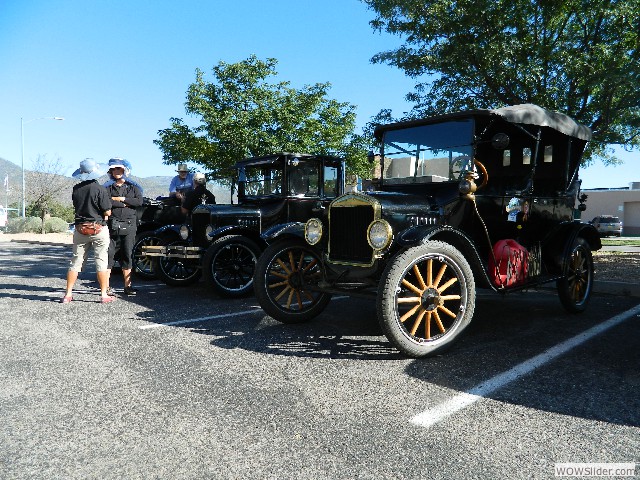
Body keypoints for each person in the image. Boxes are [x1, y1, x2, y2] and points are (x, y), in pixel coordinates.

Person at [62, 158, 113, 303]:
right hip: (98, 229)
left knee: (75, 262)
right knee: (101, 261)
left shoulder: (76, 189)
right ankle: (103, 295)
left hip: (80, 229)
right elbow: (108, 212)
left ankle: (68, 294)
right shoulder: (100, 189)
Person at [104, 158, 143, 296]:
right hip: (112, 225)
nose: (117, 171)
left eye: (119, 169)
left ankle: (128, 286)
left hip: (130, 225)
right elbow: (105, 202)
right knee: (109, 255)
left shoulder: (134, 187)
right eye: (114, 169)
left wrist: (120, 199)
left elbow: (138, 201)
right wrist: (125, 204)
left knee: (127, 254)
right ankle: (106, 287)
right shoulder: (107, 187)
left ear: (125, 170)